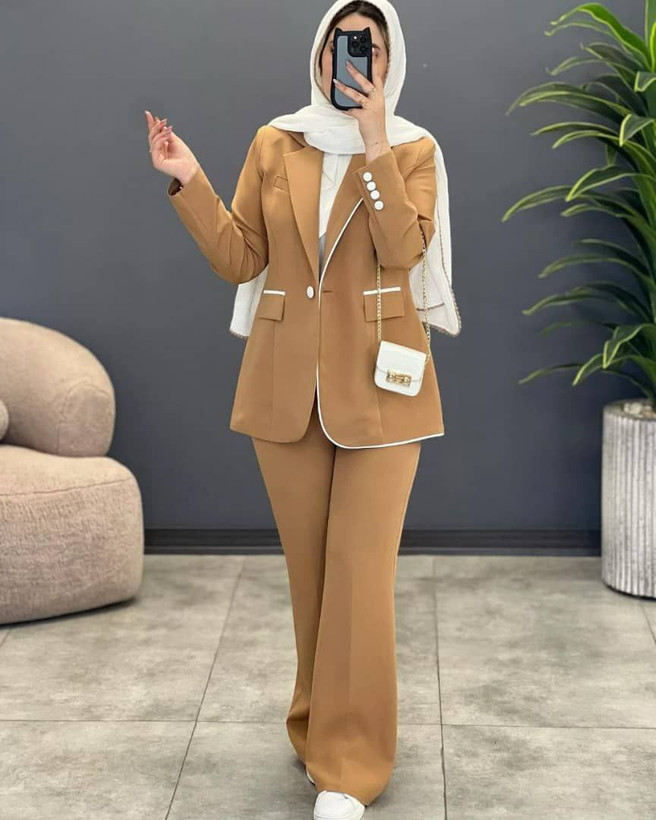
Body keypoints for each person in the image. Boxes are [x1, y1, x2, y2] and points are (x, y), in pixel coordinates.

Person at [145, 1, 461, 816]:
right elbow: (242, 257)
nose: (352, 61)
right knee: (314, 577)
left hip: (383, 391)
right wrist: (190, 180)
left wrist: (375, 140)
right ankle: (318, 727)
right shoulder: (274, 143)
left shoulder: (414, 149)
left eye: (369, 48)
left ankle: (350, 771)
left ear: (391, 60)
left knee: (361, 574)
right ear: (319, 55)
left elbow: (404, 249)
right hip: (287, 386)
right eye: (340, 46)